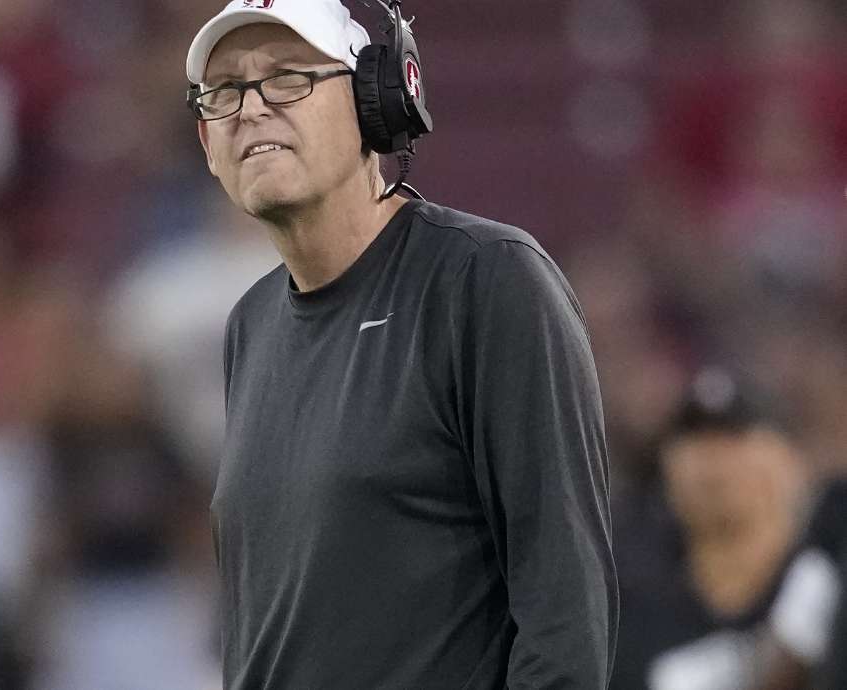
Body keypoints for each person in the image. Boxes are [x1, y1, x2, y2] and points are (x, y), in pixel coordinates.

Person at [185, 1, 618, 687]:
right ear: (208, 144)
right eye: (225, 91)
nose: (251, 108)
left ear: (374, 101)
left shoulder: (485, 279)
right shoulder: (250, 326)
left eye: (288, 76)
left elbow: (567, 612)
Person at [611, 369, 818, 690]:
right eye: (693, 439)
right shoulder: (626, 599)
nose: (711, 460)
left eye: (734, 436)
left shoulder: (825, 586)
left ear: (790, 461)